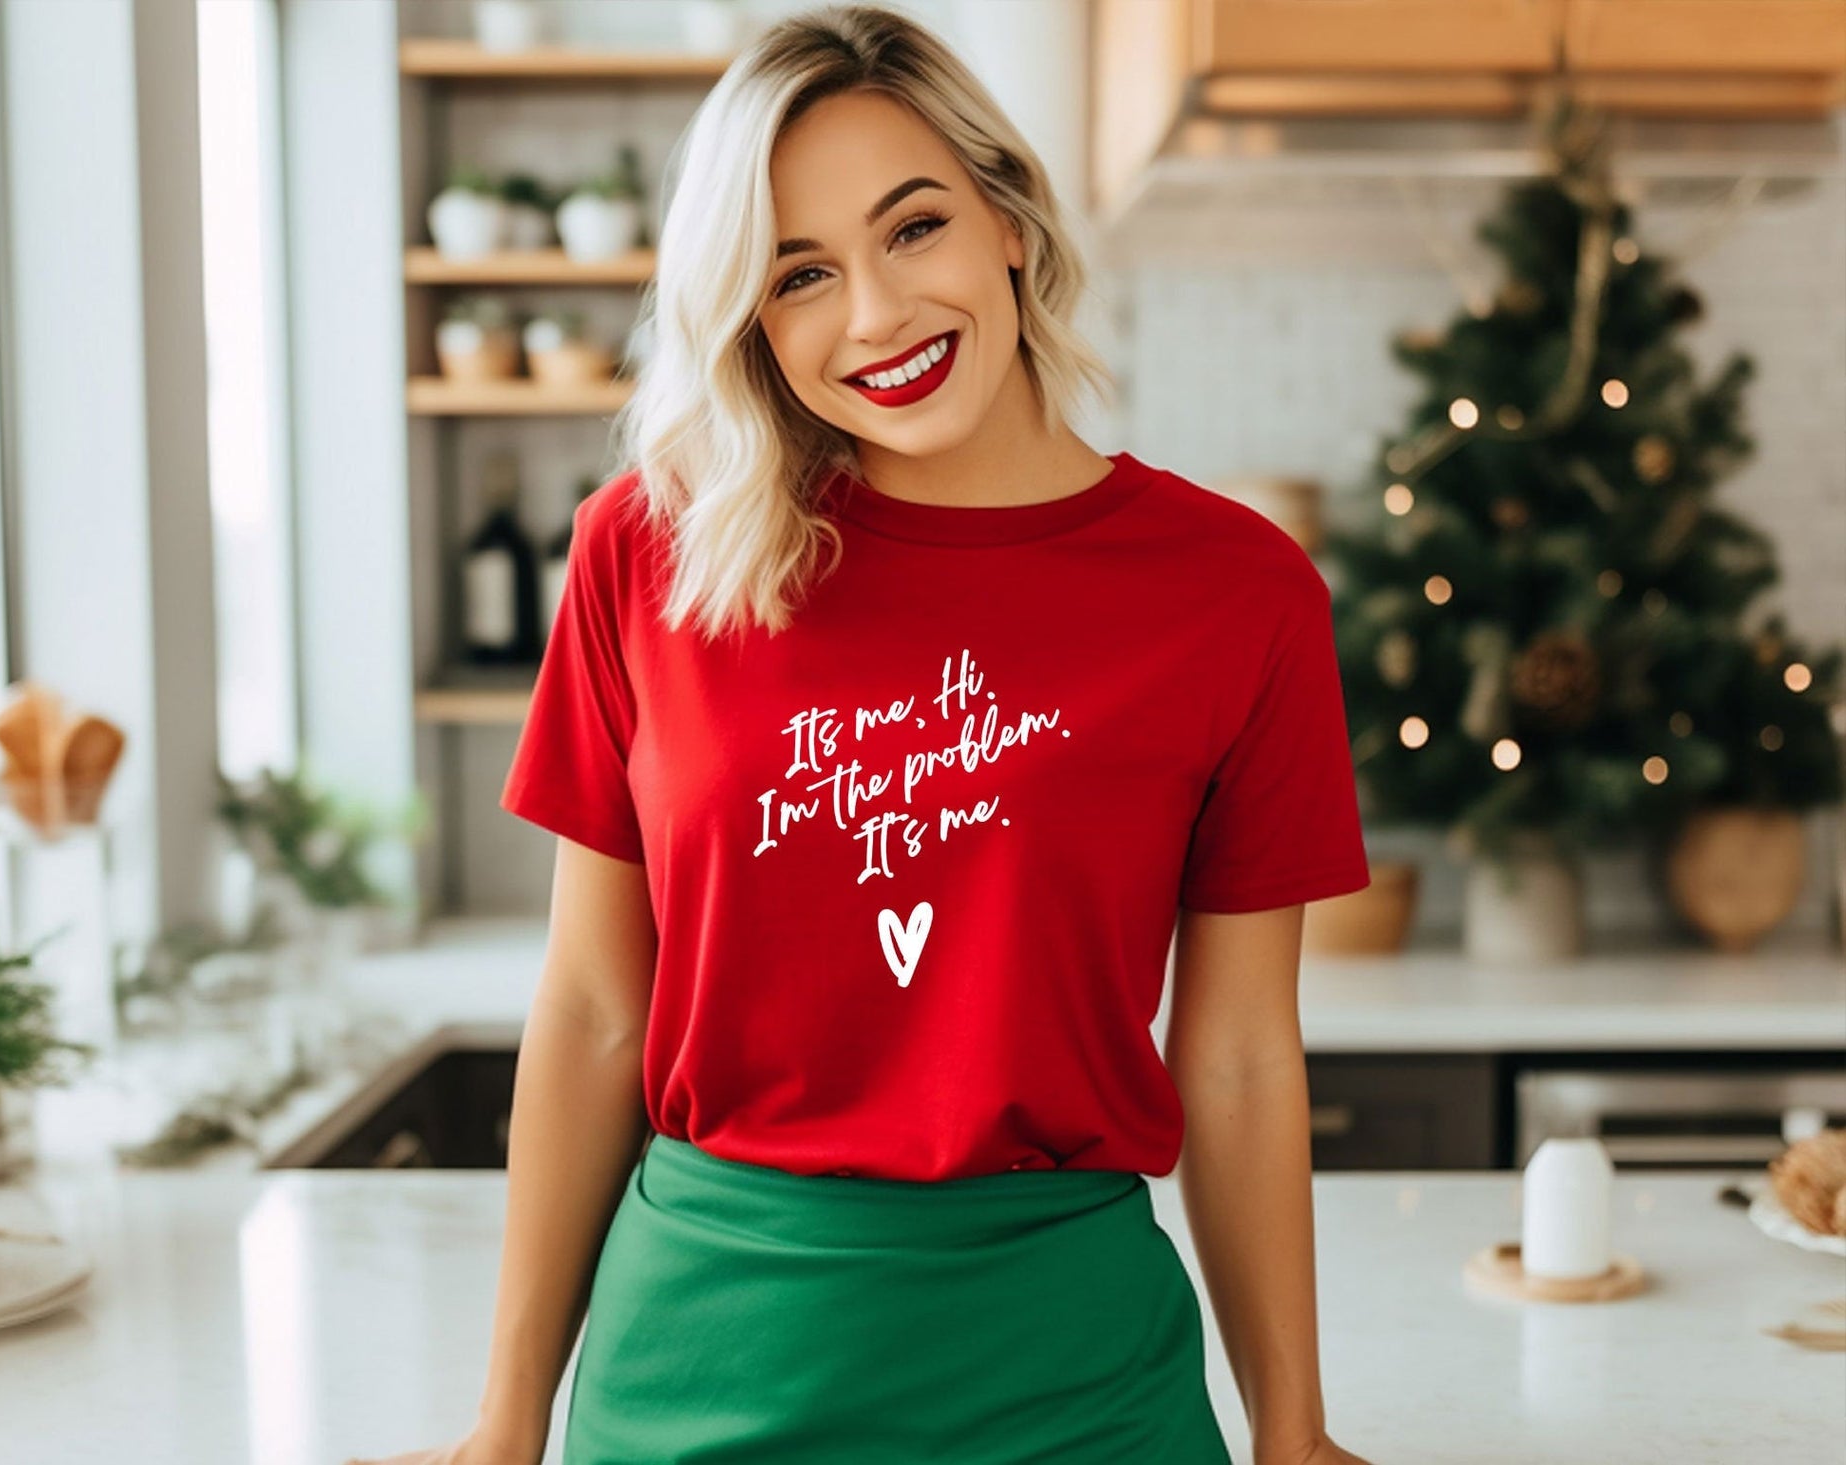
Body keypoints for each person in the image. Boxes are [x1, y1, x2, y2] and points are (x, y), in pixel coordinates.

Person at [350, 6, 1377, 1464]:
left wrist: (1294, 1432)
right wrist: (504, 1424)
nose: (876, 316)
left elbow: (1237, 1058)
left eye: (912, 229)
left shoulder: (1233, 589)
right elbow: (589, 1009)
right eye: (798, 276)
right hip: (694, 1369)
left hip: (1074, 1380)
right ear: (749, 323)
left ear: (1006, 218)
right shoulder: (648, 554)